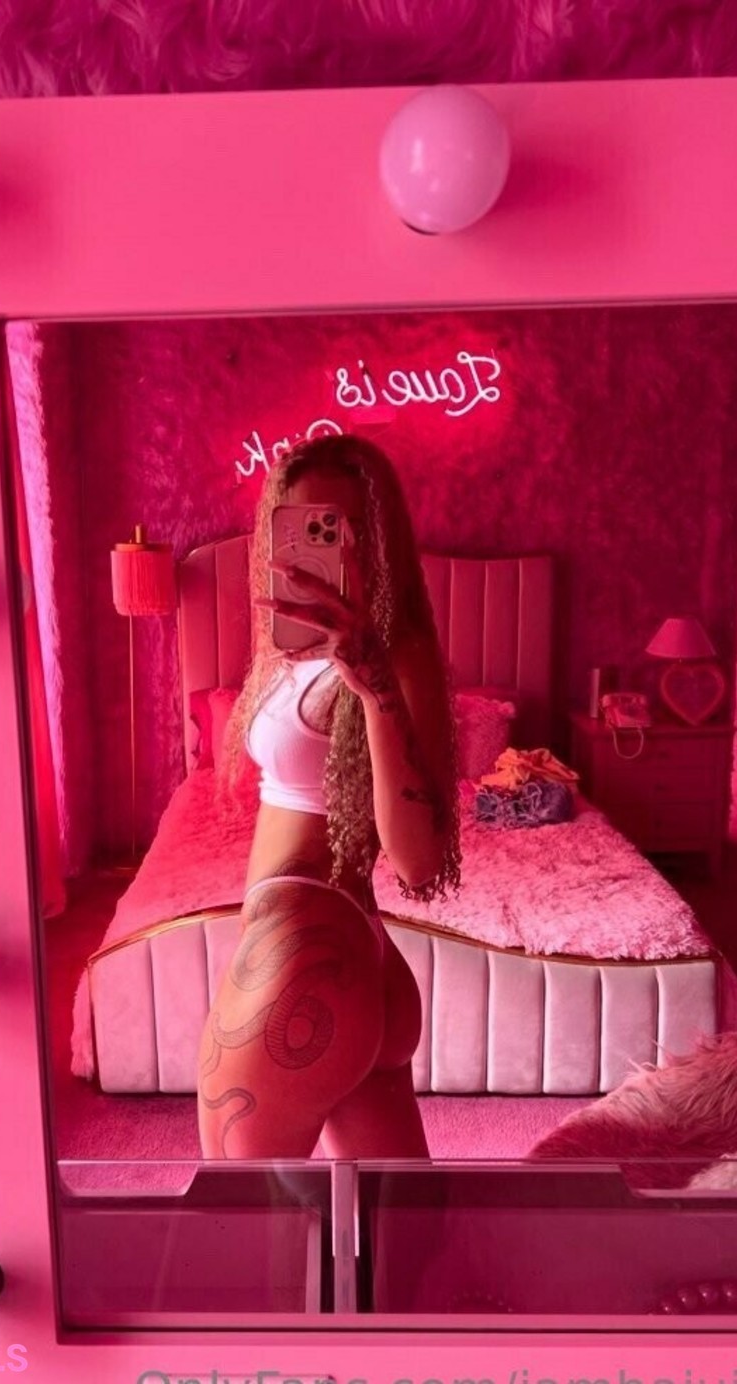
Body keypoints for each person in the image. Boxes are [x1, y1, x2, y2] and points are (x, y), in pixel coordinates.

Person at [197, 434, 461, 1159]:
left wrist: (373, 685)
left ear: (378, 539)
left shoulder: (395, 654)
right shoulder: (284, 649)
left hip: (304, 961)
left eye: (344, 528)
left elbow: (418, 861)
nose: (326, 546)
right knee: (399, 1222)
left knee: (242, 1219)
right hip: (348, 955)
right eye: (304, 525)